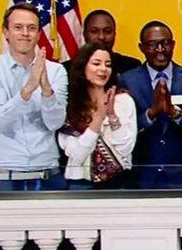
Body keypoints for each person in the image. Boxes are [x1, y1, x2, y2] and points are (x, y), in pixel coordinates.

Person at [0, 2, 68, 190]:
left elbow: (55, 123)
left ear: (39, 34)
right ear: (6, 32)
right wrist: (28, 89)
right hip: (4, 177)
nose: (25, 33)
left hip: (47, 174)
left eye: (31, 28)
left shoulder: (56, 71)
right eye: (18, 27)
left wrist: (46, 89)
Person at [118, 20, 182, 188]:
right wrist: (151, 114)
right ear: (141, 48)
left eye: (165, 43)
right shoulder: (127, 80)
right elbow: (124, 130)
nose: (160, 50)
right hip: (142, 172)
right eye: (152, 45)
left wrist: (176, 114)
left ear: (173, 45)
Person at [58, 43, 136, 189]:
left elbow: (126, 150)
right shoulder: (70, 104)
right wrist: (98, 118)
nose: (103, 69)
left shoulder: (124, 100)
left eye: (108, 64)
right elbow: (77, 154)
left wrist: (112, 116)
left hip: (118, 183)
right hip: (79, 183)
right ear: (83, 67)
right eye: (96, 63)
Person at [61, 9, 141, 75]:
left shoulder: (131, 67)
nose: (101, 37)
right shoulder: (67, 69)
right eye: (94, 31)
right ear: (84, 34)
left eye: (107, 31)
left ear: (115, 34)